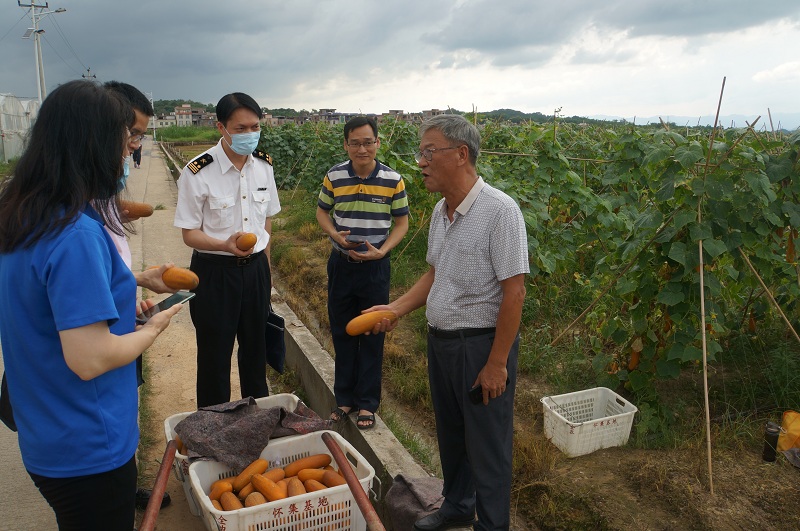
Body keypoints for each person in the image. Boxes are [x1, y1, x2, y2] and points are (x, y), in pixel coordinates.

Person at [0, 80, 183, 531]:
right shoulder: (76, 233)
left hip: (45, 429)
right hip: (87, 442)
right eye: (123, 143)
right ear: (93, 146)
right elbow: (90, 358)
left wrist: (127, 291)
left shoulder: (20, 213)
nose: (127, 155)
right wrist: (152, 329)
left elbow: (47, 307)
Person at [367, 114, 529, 530]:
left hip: (479, 347)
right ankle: (458, 504)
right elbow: (435, 274)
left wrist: (497, 363)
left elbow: (515, 293)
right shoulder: (442, 211)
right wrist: (394, 309)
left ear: (460, 155)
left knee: (488, 444)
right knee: (452, 434)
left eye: (428, 152)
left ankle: (492, 525)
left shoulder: (500, 211)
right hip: (441, 343)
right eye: (420, 152)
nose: (420, 161)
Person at [174, 92, 280, 407]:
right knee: (214, 357)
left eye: (255, 127)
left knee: (255, 353)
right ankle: (212, 426)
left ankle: (256, 421)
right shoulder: (198, 171)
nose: (250, 134)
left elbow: (267, 223)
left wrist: (267, 271)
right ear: (221, 127)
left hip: (256, 272)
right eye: (241, 128)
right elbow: (189, 234)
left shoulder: (263, 166)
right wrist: (225, 245)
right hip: (214, 274)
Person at [103, 80, 174, 511]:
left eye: (140, 138)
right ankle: (116, 488)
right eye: (131, 136)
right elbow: (87, 355)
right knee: (111, 416)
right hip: (104, 342)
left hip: (120, 319)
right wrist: (154, 329)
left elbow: (107, 270)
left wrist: (136, 283)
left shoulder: (101, 196)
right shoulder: (72, 223)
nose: (134, 148)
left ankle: (125, 485)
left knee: (126, 406)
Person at [316, 116, 409, 429]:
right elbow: (322, 212)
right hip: (342, 265)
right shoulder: (335, 176)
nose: (362, 148)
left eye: (368, 142)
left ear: (377, 143)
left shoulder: (393, 179)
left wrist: (384, 250)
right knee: (342, 332)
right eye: (354, 142)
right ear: (346, 145)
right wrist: (335, 235)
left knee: (372, 333)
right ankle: (344, 399)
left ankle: (367, 404)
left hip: (375, 269)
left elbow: (401, 223)